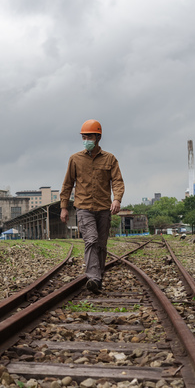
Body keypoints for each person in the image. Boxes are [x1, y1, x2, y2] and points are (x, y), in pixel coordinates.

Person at [60, 119, 125, 293]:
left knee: (101, 245)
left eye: (89, 136)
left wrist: (117, 199)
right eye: (84, 136)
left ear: (98, 137)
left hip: (104, 208)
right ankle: (93, 277)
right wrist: (64, 207)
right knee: (91, 240)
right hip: (84, 208)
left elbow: (117, 181)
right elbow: (67, 184)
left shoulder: (110, 159)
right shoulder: (75, 159)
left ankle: (98, 276)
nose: (86, 139)